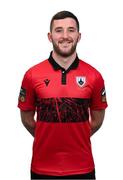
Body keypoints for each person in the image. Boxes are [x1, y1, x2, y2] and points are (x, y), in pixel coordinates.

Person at [18, 10, 108, 179]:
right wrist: (48, 136)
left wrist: (76, 136)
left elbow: (97, 120)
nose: (65, 36)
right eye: (59, 30)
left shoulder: (94, 76)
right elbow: (27, 119)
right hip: (42, 169)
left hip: (82, 168)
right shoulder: (31, 75)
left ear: (79, 36)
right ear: (50, 36)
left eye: (71, 30)